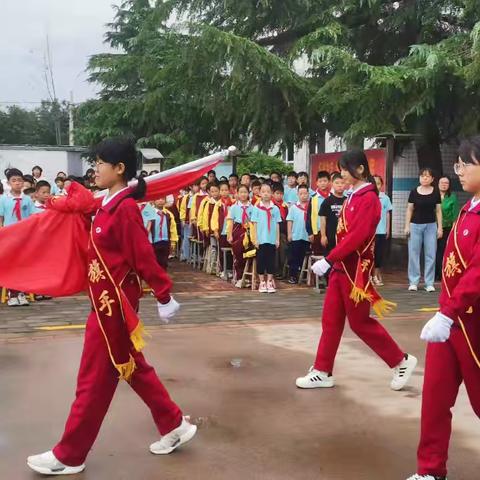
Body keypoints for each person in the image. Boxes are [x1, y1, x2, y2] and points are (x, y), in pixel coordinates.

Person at [27, 138, 196, 476]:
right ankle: (174, 424)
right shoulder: (107, 205)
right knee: (132, 368)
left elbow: (142, 256)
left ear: (120, 169)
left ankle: (70, 454)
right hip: (104, 304)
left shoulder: (125, 209)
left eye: (102, 163)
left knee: (93, 380)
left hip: (113, 308)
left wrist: (164, 295)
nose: (96, 169)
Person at [296, 150, 417, 391]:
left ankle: (400, 361)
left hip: (355, 270)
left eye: (344, 169)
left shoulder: (368, 198)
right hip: (343, 267)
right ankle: (322, 370)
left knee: (360, 322)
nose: (341, 174)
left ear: (360, 169)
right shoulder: (354, 196)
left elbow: (358, 236)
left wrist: (329, 259)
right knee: (330, 321)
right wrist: (334, 261)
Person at [406, 138, 480, 480]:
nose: (459, 170)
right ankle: (430, 470)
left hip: (471, 324)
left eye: (465, 163)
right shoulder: (469, 208)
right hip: (448, 321)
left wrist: (449, 312)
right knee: (434, 399)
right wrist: (445, 313)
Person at [0, 168, 35, 306]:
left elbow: (33, 217)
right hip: (9, 236)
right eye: (14, 181)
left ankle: (21, 292)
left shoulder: (27, 199)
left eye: (19, 180)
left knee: (23, 264)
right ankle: (12, 293)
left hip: (24, 236)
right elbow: (1, 218)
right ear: (9, 183)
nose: (17, 183)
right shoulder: (3, 199)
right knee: (11, 264)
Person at [405, 168, 443, 292]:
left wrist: (440, 227)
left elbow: (438, 211)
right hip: (415, 225)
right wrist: (407, 226)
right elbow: (409, 209)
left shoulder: (436, 192)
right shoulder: (413, 192)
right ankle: (414, 281)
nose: (424, 178)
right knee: (413, 253)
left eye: (427, 176)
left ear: (432, 179)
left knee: (431, 254)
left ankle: (429, 282)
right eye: (422, 176)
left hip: (431, 226)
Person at [251, 183, 281, 293]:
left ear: (272, 193)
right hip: (261, 239)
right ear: (259, 193)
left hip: (272, 239)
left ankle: (269, 281)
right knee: (261, 260)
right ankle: (262, 282)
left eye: (268, 192)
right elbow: (254, 224)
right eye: (263, 192)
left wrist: (277, 239)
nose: (266, 194)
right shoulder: (257, 208)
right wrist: (255, 239)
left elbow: (277, 224)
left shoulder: (275, 209)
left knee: (271, 261)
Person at [227, 185, 254, 287]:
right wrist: (229, 235)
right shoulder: (234, 207)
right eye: (241, 192)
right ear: (237, 194)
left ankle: (247, 278)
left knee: (250, 253)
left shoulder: (252, 207)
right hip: (237, 230)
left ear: (248, 193)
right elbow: (230, 222)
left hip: (249, 231)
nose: (243, 194)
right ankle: (239, 277)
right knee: (238, 254)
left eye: (245, 192)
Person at [435, 175, 459, 281]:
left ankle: (441, 273)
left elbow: (455, 215)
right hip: (432, 227)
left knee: (442, 251)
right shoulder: (433, 195)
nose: (444, 185)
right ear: (438, 184)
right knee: (431, 251)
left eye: (446, 183)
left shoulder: (452, 197)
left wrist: (454, 230)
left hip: (447, 228)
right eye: (442, 183)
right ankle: (432, 273)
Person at [286, 185, 310, 284]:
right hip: (296, 236)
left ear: (308, 194)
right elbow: (289, 221)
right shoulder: (293, 207)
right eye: (301, 194)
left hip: (307, 236)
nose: (303, 196)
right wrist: (289, 234)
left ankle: (304, 275)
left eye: (305, 193)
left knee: (303, 256)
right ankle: (293, 275)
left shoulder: (311, 207)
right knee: (294, 256)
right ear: (297, 195)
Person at [372, 175, 393, 287]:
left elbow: (388, 214)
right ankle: (369, 276)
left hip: (380, 231)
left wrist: (387, 229)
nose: (376, 186)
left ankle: (376, 276)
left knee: (378, 255)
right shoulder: (368, 197)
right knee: (370, 255)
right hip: (369, 232)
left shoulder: (385, 198)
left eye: (378, 183)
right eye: (374, 183)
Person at [319, 173, 346, 255]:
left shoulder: (348, 201)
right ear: (332, 184)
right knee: (330, 261)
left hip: (344, 237)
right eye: (337, 183)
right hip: (330, 237)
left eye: (342, 183)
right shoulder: (327, 201)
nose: (340, 185)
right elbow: (323, 220)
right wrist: (323, 236)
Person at [211, 181, 234, 275]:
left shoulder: (233, 203)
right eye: (222, 190)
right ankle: (222, 270)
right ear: (220, 192)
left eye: (226, 190)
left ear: (229, 191)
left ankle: (230, 269)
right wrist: (215, 230)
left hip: (230, 231)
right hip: (222, 231)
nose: (224, 192)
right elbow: (214, 218)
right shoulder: (218, 204)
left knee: (231, 251)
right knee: (221, 250)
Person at [307, 171, 331, 255]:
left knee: (330, 255)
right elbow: (309, 216)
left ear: (329, 182)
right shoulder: (313, 198)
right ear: (316, 183)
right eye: (320, 181)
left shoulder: (332, 196)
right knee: (317, 255)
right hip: (316, 231)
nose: (323, 183)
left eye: (325, 181)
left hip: (330, 231)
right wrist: (310, 232)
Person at [152, 197, 178, 270]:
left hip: (165, 241)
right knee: (154, 262)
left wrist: (173, 241)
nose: (160, 200)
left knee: (164, 262)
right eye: (158, 198)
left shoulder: (168, 214)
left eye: (162, 199)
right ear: (154, 200)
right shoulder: (150, 213)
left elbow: (173, 228)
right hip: (153, 241)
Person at [272, 183, 289, 278]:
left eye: (281, 194)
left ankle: (282, 270)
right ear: (273, 194)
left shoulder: (285, 206)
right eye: (277, 193)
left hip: (282, 232)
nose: (279, 195)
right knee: (274, 252)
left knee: (283, 250)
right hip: (272, 232)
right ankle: (275, 270)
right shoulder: (271, 205)